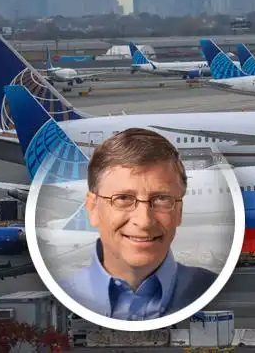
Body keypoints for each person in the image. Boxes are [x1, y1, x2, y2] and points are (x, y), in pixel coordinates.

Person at [57, 128, 218, 321]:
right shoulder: (61, 298)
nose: (144, 221)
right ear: (92, 208)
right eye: (123, 198)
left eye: (161, 199)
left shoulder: (209, 288)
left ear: (179, 212)